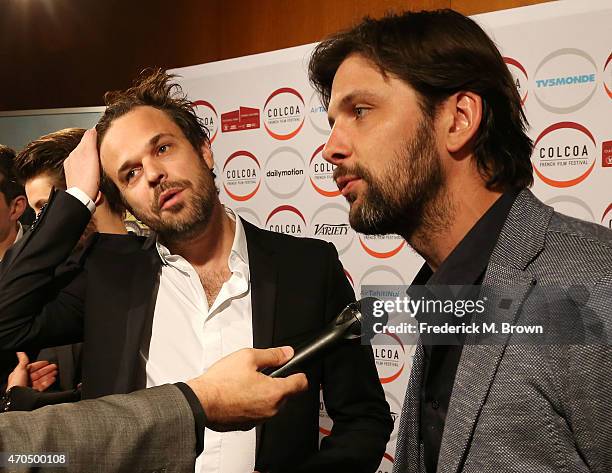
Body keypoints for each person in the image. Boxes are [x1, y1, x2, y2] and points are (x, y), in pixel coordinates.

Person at [0, 70, 392, 473]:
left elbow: (364, 419)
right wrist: (77, 197)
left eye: (163, 148)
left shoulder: (307, 267)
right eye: (129, 173)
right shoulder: (105, 274)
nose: (152, 174)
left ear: (204, 150)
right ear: (124, 201)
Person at [308, 9, 612, 473]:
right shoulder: (442, 293)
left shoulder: (596, 283)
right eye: (333, 121)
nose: (331, 147)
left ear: (459, 119)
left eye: (361, 112)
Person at [1, 346, 308, 473]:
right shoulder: (117, 274)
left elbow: (356, 415)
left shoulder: (317, 263)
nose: (349, 202)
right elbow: (21, 453)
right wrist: (199, 400)